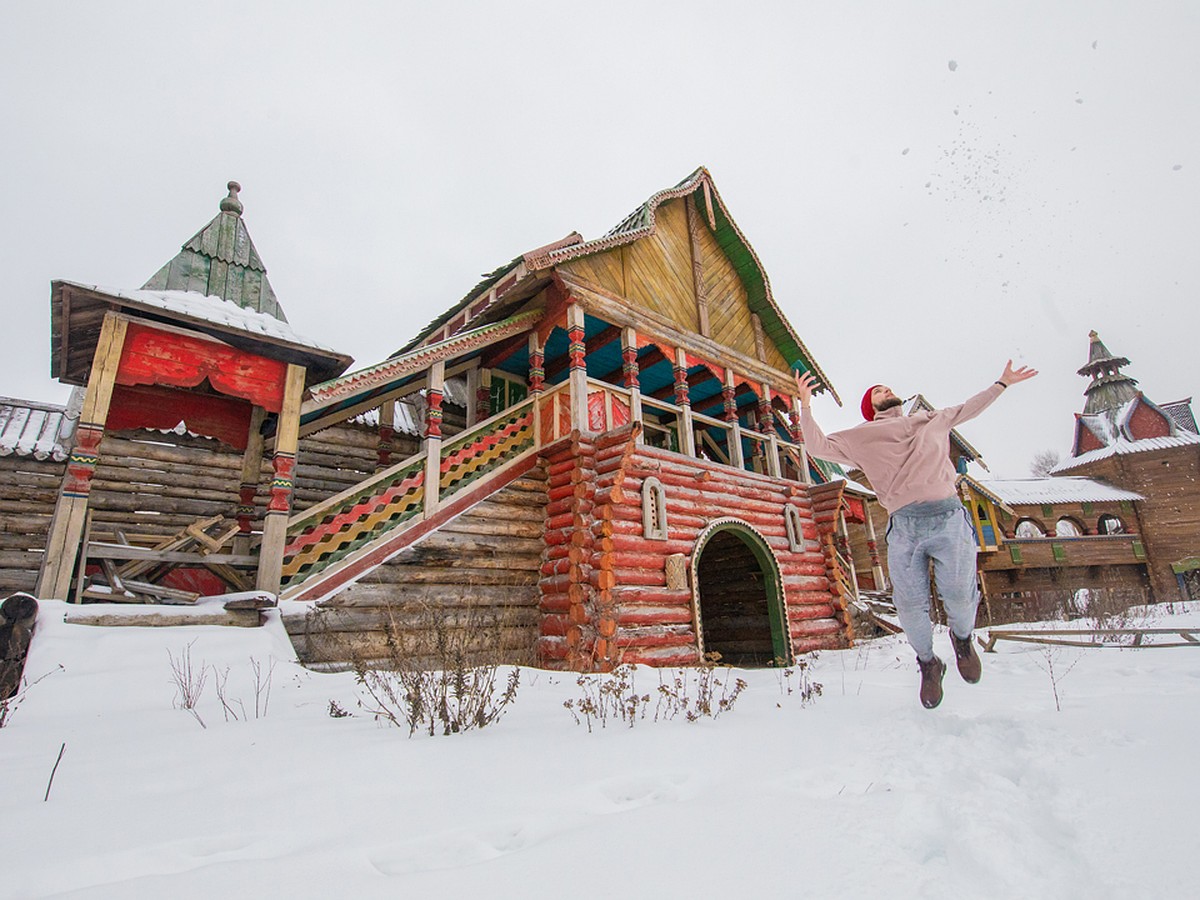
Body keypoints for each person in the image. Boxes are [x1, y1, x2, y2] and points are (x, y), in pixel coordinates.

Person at [794, 361, 1037, 709]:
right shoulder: (860, 437)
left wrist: (1002, 383)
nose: (886, 391)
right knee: (909, 606)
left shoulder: (930, 420)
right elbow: (817, 446)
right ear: (869, 408)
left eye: (888, 389)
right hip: (904, 525)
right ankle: (928, 662)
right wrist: (805, 404)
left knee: (959, 593)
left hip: (948, 517)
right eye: (878, 391)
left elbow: (970, 407)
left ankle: (963, 640)